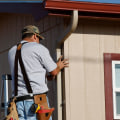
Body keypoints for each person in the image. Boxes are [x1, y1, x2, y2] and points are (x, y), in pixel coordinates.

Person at [8, 25, 68, 120]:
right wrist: (59, 66)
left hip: (17, 104)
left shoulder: (12, 51)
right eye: (39, 39)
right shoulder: (38, 48)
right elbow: (53, 72)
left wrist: (45, 77)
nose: (39, 41)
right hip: (36, 102)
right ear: (35, 36)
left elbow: (27, 73)